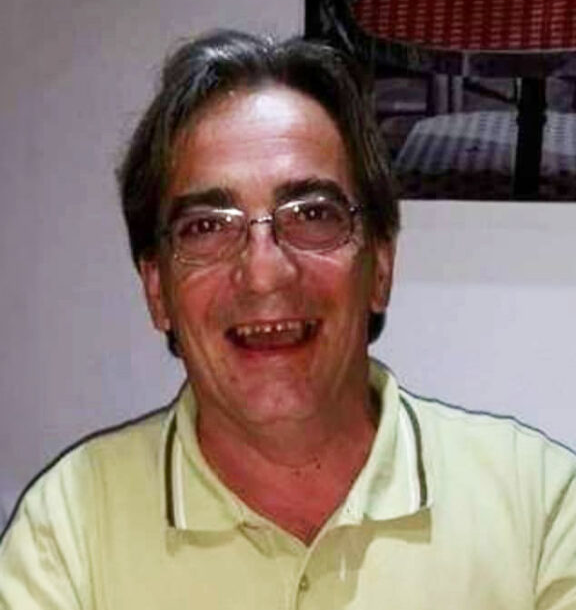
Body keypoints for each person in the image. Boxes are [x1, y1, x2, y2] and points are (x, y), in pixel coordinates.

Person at [0, 30, 575, 610]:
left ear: (379, 267)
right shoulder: (67, 532)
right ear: (157, 292)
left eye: (312, 215)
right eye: (207, 226)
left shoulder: (541, 509)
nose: (264, 274)